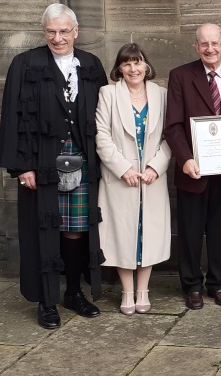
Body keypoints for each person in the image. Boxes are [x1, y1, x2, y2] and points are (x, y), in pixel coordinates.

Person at [0, 3, 108, 329]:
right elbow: (11, 118)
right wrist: (22, 168)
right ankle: (47, 302)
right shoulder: (25, 63)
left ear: (76, 31)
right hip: (42, 163)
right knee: (45, 231)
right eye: (51, 31)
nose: (57, 38)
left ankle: (73, 292)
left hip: (83, 160)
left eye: (63, 31)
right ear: (44, 32)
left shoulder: (90, 64)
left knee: (75, 232)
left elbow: (106, 114)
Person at [165, 23, 221, 310]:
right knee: (190, 232)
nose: (210, 49)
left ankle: (217, 284)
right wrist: (185, 158)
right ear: (196, 46)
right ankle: (191, 285)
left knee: (220, 231)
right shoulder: (180, 76)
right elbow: (174, 126)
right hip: (193, 170)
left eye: (215, 43)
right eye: (204, 44)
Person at [95, 44, 172, 315]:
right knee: (123, 232)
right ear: (119, 69)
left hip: (152, 178)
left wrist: (156, 166)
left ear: (146, 66)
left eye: (137, 63)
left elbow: (171, 135)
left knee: (148, 232)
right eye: (127, 64)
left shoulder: (161, 95)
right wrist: (123, 168)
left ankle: (144, 290)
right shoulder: (108, 94)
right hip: (121, 179)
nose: (133, 68)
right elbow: (101, 135)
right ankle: (127, 292)